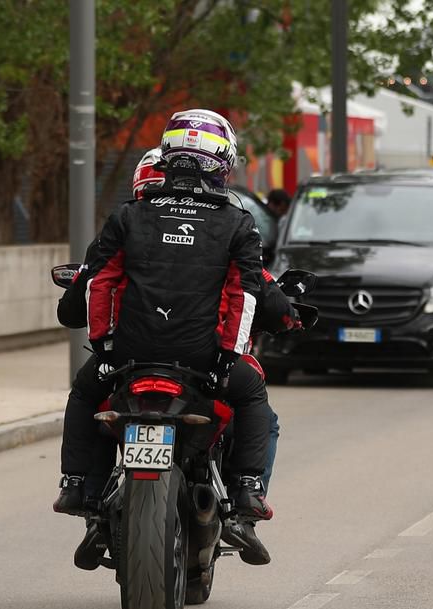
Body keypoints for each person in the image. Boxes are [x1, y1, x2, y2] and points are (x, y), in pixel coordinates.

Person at [52, 109, 276, 565]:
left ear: (168, 155)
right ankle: (247, 493)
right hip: (203, 359)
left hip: (131, 355)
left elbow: (99, 284)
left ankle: (81, 487)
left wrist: (106, 348)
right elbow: (244, 296)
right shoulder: (236, 223)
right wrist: (227, 358)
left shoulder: (130, 214)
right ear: (223, 162)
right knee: (252, 396)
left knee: (83, 391)